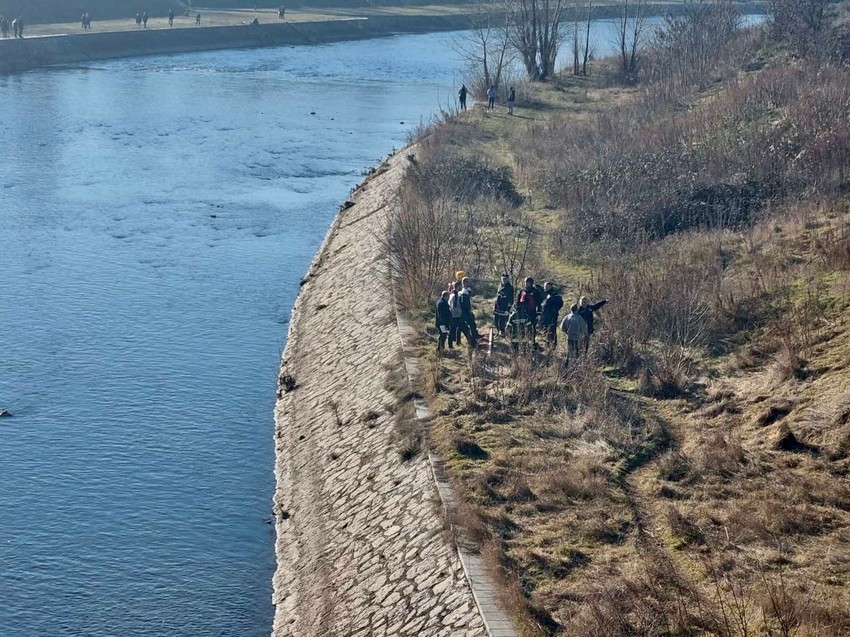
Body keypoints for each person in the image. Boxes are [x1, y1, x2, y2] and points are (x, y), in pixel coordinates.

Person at [516, 277, 541, 347]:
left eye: (527, 282)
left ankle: (532, 342)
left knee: (532, 328)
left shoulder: (536, 292)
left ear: (531, 283)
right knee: (522, 327)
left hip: (532, 313)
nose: (526, 284)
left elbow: (539, 303)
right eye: (525, 282)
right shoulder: (522, 291)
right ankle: (523, 342)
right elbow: (518, 301)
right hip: (522, 313)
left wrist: (539, 313)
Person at [560, 304, 588, 369]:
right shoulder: (579, 318)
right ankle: (576, 366)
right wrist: (584, 335)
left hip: (569, 337)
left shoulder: (566, 317)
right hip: (577, 338)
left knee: (569, 351)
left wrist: (566, 332)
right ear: (577, 310)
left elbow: (562, 327)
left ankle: (566, 366)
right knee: (577, 352)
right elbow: (584, 328)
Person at [539, 282, 564, 349]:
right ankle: (547, 343)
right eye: (545, 287)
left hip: (552, 316)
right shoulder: (545, 295)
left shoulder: (554, 295)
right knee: (545, 329)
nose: (545, 288)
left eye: (547, 287)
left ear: (550, 287)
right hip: (545, 315)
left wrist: (554, 310)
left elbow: (560, 303)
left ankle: (553, 345)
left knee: (552, 330)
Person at [449, 281, 473, 348]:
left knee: (460, 329)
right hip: (456, 316)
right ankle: (471, 343)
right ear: (457, 287)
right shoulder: (454, 296)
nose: (461, 287)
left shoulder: (455, 294)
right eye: (460, 286)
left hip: (456, 316)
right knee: (462, 329)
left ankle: (460, 342)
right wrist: (460, 312)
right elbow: (453, 307)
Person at [459, 277, 479, 346]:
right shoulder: (463, 292)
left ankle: (474, 337)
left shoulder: (466, 290)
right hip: (465, 311)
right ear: (464, 282)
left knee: (472, 323)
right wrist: (469, 310)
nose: (468, 283)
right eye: (467, 282)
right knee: (471, 324)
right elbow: (465, 303)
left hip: (465, 311)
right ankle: (472, 340)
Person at [493, 272, 514, 336]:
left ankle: (503, 333)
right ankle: (498, 332)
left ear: (508, 279)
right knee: (496, 321)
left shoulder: (510, 288)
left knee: (502, 322)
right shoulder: (500, 286)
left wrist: (508, 309)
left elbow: (511, 300)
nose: (504, 280)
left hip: (504, 308)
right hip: (497, 307)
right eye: (503, 279)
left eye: (505, 279)